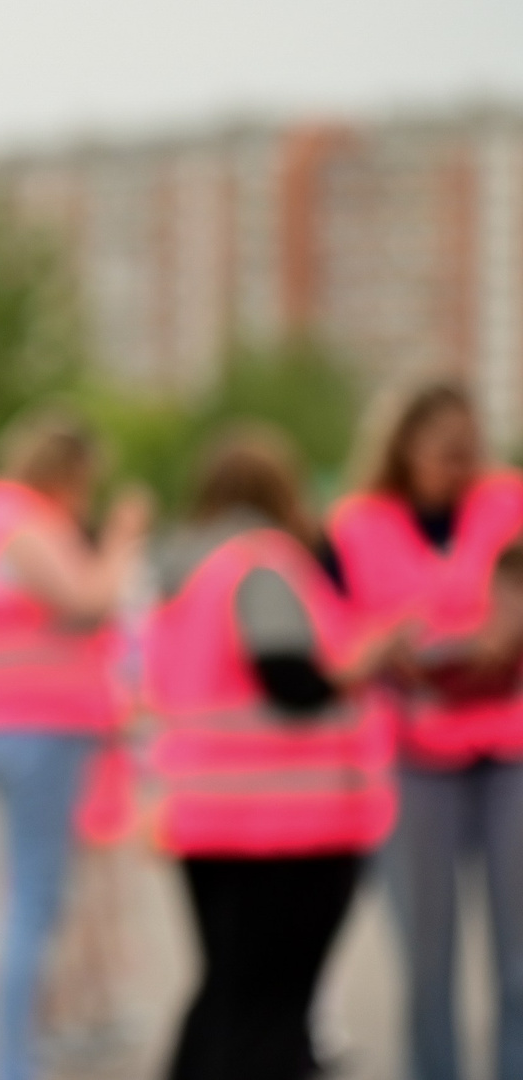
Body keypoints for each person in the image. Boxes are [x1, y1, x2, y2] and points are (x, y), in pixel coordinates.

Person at [149, 425, 408, 1080]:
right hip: (293, 823)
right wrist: (362, 661)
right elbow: (289, 678)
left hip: (207, 814)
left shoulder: (184, 570)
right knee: (273, 1011)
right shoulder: (262, 561)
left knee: (226, 995)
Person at [0, 408, 149, 1080]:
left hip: (1, 721)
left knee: (24, 892)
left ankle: (20, 1045)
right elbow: (91, 598)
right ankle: (12, 1059)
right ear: (65, 473)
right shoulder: (19, 519)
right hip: (39, 723)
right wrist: (121, 538)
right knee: (32, 899)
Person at [330, 380, 523, 1080]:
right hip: (413, 752)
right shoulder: (357, 524)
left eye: (469, 453)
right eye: (444, 454)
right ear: (405, 446)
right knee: (427, 960)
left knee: (519, 956)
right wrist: (386, 646)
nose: (458, 468)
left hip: (508, 744)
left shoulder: (509, 502)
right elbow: (339, 637)